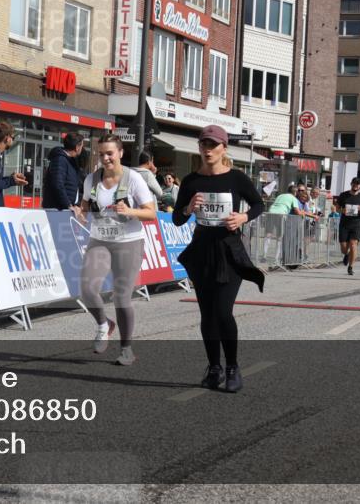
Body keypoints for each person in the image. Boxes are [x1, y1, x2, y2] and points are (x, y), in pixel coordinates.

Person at [174, 125, 264, 393]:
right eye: (204, 144)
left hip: (229, 251)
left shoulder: (236, 178)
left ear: (224, 148)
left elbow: (259, 204)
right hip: (202, 251)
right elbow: (177, 218)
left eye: (213, 145)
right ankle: (214, 367)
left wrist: (243, 217)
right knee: (207, 314)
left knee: (223, 312)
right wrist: (188, 208)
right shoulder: (191, 181)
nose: (208, 149)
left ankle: (232, 367)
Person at [76, 134, 157, 366]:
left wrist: (130, 211)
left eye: (110, 153)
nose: (106, 158)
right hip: (100, 239)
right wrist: (80, 212)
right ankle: (104, 324)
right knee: (87, 289)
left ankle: (126, 349)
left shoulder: (133, 179)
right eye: (101, 154)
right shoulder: (91, 179)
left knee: (121, 297)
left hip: (129, 241)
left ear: (120, 153)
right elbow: (85, 205)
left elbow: (151, 213)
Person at [334, 177, 360, 275]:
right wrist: (342, 210)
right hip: (344, 224)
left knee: (353, 245)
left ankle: (351, 267)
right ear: (351, 184)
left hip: (356, 224)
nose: (355, 185)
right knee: (344, 249)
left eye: (357, 184)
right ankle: (346, 254)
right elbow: (336, 208)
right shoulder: (343, 195)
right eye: (354, 183)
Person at [42, 131, 84, 213]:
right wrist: (68, 205)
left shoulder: (70, 160)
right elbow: (58, 184)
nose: (82, 149)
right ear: (77, 147)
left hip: (64, 209)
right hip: (57, 210)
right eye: (82, 146)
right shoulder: (60, 160)